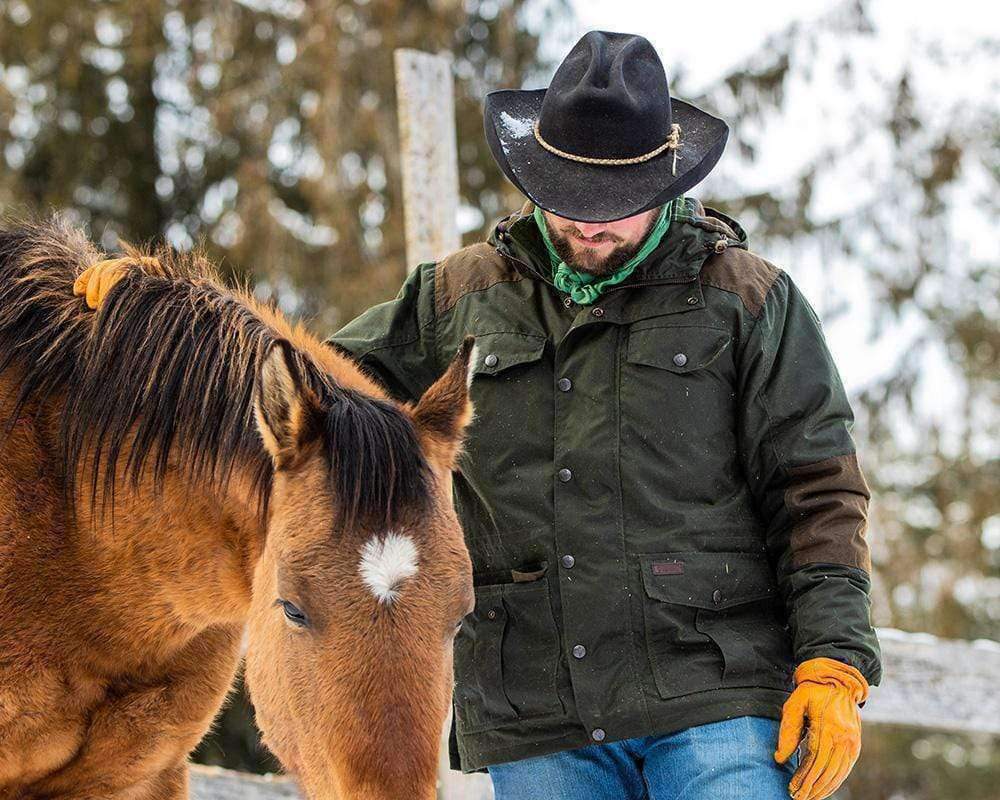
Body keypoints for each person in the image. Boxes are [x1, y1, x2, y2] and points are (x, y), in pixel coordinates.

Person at [75, 30, 881, 800]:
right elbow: (314, 386)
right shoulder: (459, 295)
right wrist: (164, 312)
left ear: (667, 187)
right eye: (568, 199)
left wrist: (834, 662)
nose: (589, 224)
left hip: (717, 700)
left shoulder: (746, 300)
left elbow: (816, 488)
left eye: (616, 204)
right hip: (539, 714)